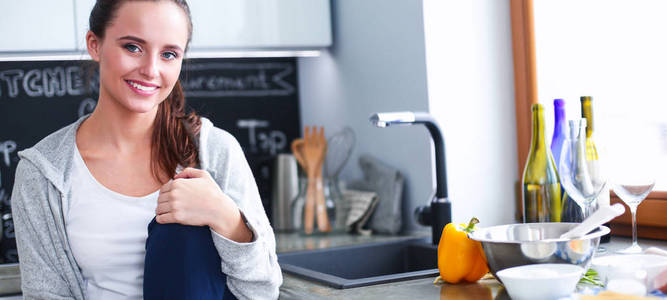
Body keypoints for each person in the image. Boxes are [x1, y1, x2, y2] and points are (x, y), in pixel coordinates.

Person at [10, 0, 282, 299]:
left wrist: (227, 219)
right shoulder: (42, 174)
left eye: (168, 54)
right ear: (95, 44)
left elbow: (262, 291)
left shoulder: (215, 151)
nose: (151, 70)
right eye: (133, 47)